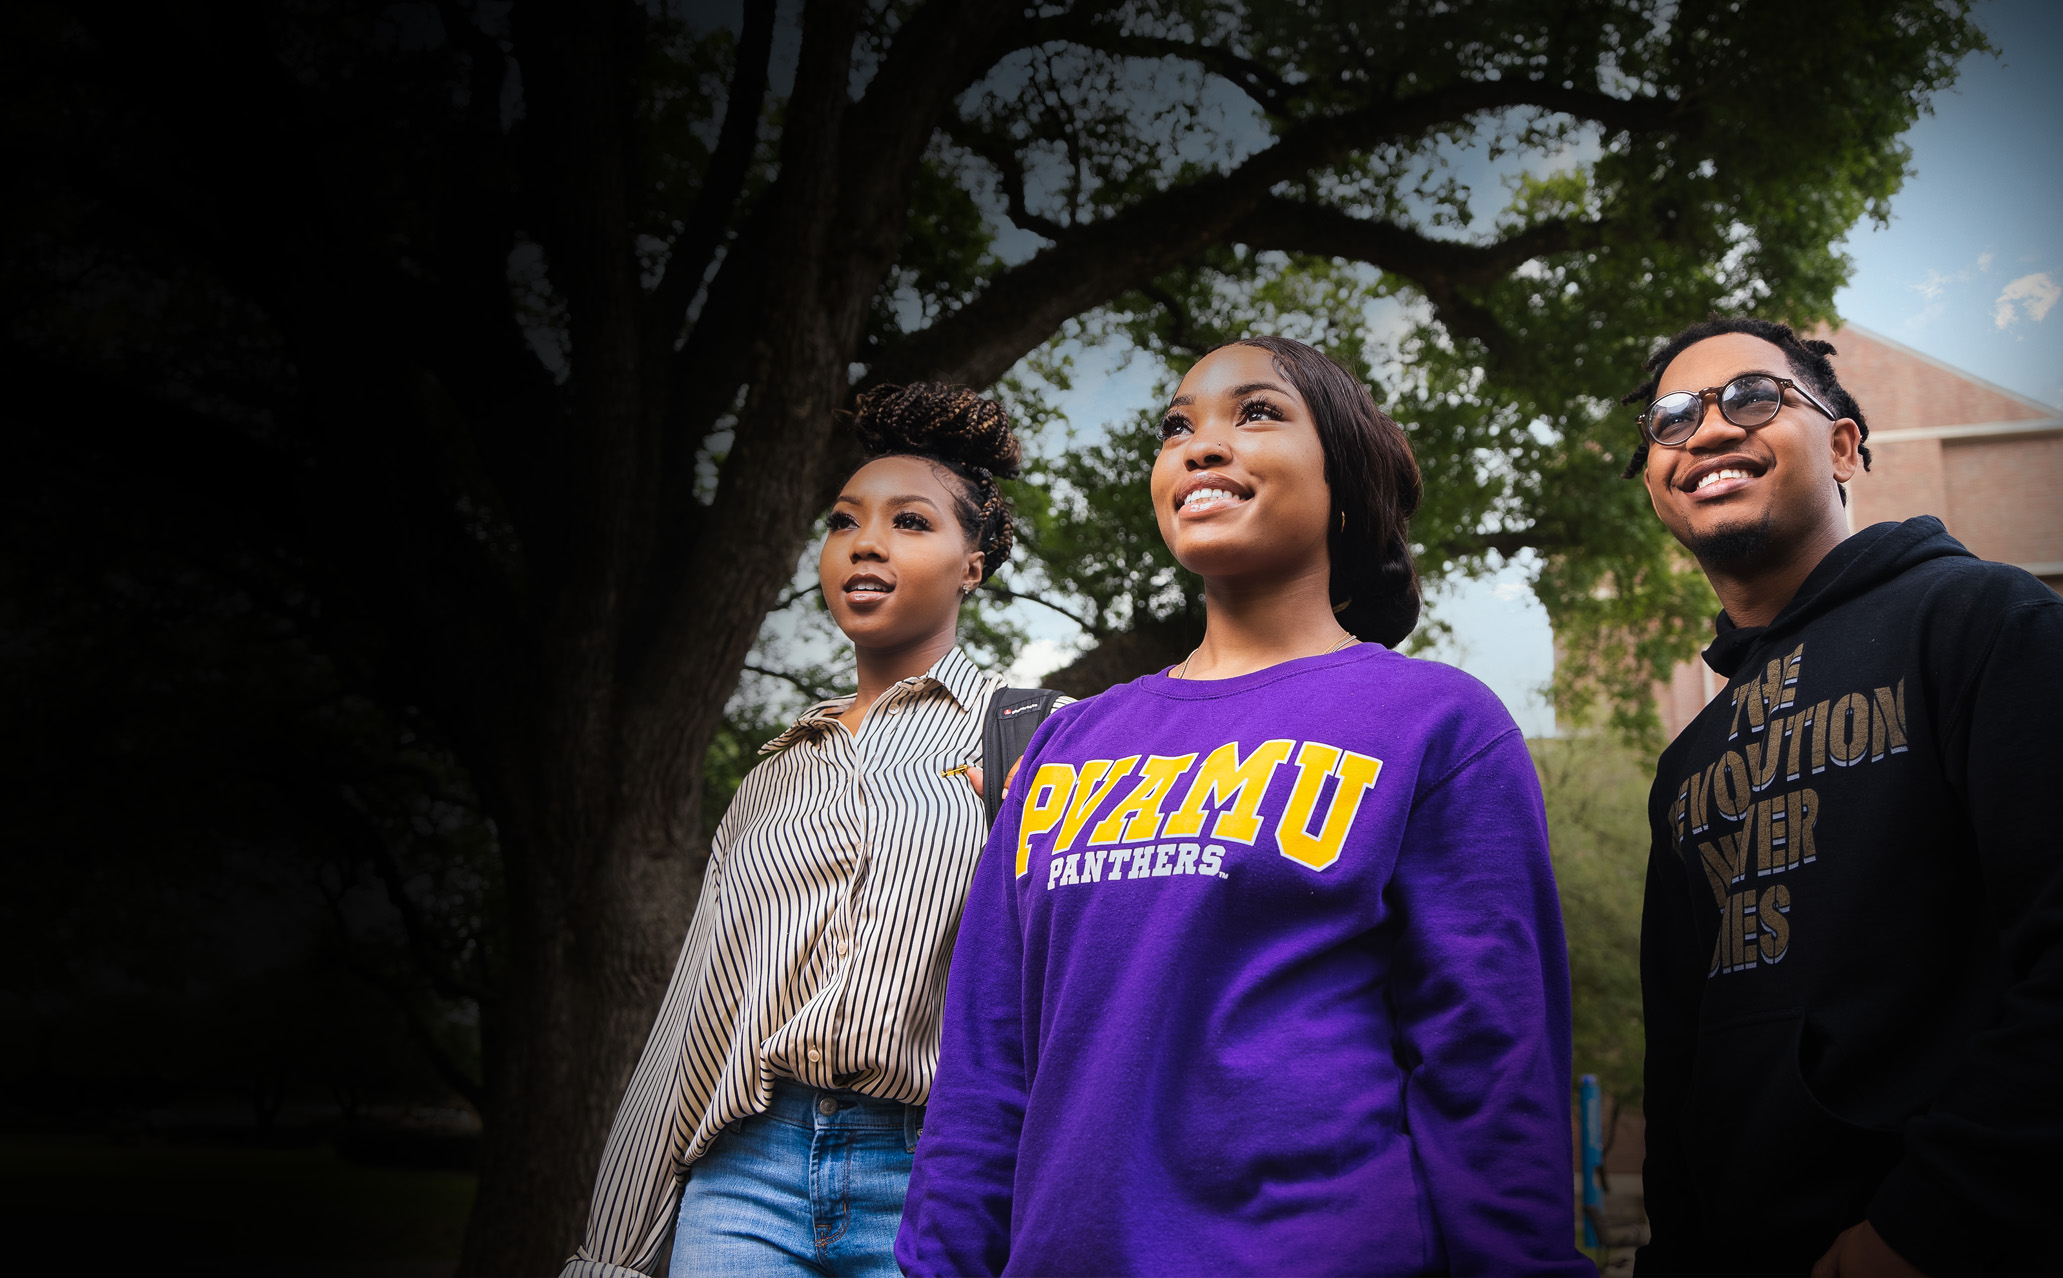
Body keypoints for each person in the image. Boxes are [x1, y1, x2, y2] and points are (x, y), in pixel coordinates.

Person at [896, 336, 1593, 1277]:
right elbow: (986, 1063)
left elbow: (1491, 1070)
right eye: (1176, 427)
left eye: (1255, 413)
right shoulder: (1068, 743)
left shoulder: (1436, 725)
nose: (1200, 444)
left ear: (1342, 481)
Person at [1623, 318, 2063, 1277]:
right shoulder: (1688, 763)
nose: (1709, 429)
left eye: (1754, 398)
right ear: (1655, 482)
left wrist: (1930, 1225)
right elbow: (1683, 1062)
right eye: (1672, 418)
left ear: (1845, 445)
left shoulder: (1987, 622)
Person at [563, 383, 1050, 1278]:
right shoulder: (772, 776)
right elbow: (689, 1027)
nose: (865, 542)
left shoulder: (1045, 741)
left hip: (938, 1177)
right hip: (744, 1171)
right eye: (842, 521)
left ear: (972, 563)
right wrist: (611, 1258)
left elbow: (1085, 998)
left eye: (909, 522)